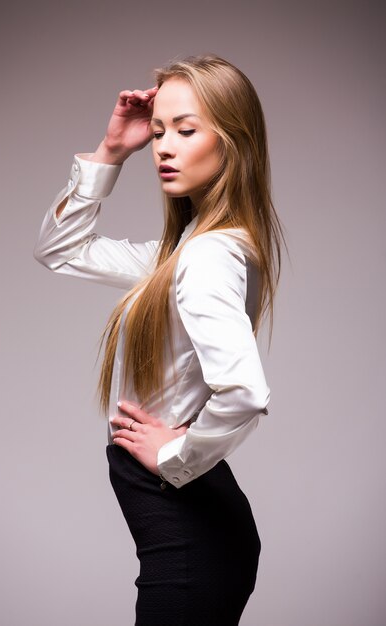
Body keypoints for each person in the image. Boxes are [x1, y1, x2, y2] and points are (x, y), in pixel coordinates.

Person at [34, 54, 284, 626]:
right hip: (201, 531)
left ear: (234, 142)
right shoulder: (182, 254)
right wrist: (111, 151)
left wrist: (174, 457)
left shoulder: (206, 257)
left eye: (187, 130)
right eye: (160, 131)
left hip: (191, 536)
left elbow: (244, 391)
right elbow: (60, 251)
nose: (163, 147)